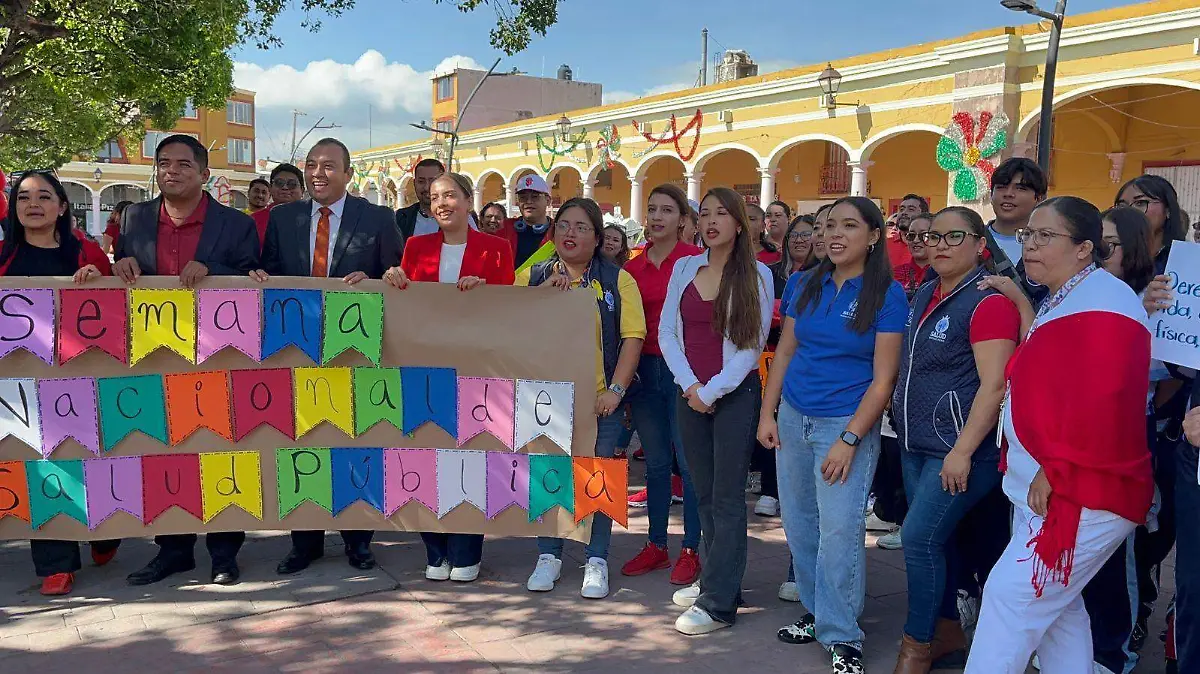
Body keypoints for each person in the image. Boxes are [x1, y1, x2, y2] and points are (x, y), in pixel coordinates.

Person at [965, 197, 1154, 673]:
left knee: (1010, 598)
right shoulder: (1067, 296)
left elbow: (1105, 399)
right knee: (1058, 614)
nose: (1030, 245)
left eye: (1045, 236)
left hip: (1079, 490)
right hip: (1050, 486)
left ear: (1084, 248)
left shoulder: (1108, 302)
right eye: (1028, 234)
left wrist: (1057, 468)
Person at [760, 196, 907, 674]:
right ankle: (817, 611)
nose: (833, 235)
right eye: (828, 226)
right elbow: (785, 352)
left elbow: (883, 380)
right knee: (800, 523)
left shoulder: (887, 294)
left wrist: (849, 439)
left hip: (843, 425)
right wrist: (768, 414)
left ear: (874, 236)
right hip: (793, 418)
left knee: (840, 529)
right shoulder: (805, 282)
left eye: (848, 225)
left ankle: (843, 634)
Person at [107, 134, 259, 586]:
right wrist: (120, 265)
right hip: (156, 352)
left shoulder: (235, 224)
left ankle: (224, 552)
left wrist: (215, 272)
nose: (171, 171)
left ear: (204, 173)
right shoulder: (134, 217)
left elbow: (254, 275)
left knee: (222, 447)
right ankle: (174, 550)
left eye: (182, 165)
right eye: (163, 163)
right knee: (165, 449)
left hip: (219, 351)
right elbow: (124, 267)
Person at [252, 137, 402, 577]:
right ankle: (305, 542)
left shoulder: (378, 218)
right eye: (312, 165)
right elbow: (271, 272)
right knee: (303, 441)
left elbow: (397, 277)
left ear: (349, 174)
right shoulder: (283, 218)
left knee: (355, 441)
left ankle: (358, 540)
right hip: (297, 348)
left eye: (329, 166)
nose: (318, 173)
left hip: (355, 348)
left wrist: (374, 278)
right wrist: (257, 276)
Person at [889, 207, 1020, 673]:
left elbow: (995, 385)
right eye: (933, 236)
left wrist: (962, 451)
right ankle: (946, 631)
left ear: (980, 245)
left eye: (954, 236)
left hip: (960, 448)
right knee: (937, 542)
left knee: (918, 538)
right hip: (915, 443)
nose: (940, 245)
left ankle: (917, 645)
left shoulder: (988, 303)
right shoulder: (927, 291)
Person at [382, 173, 513, 583]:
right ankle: (435, 550)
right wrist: (394, 279)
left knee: (470, 458)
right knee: (425, 456)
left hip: (476, 371)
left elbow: (511, 306)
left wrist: (487, 290)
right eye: (436, 196)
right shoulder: (415, 247)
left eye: (451, 195)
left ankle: (466, 550)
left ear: (469, 200)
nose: (442, 203)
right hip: (424, 370)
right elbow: (406, 305)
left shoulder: (497, 248)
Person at [1, 171, 120, 596]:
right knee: (43, 465)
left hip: (86, 377)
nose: (33, 204)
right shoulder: (4, 257)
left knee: (94, 458)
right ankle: (55, 562)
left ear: (62, 206)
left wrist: (99, 278)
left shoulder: (86, 251)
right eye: (23, 197)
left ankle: (105, 535)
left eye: (44, 196)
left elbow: (118, 304)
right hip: (23, 385)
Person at [521, 197, 645, 599]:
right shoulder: (532, 275)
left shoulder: (618, 280)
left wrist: (615, 390)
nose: (570, 234)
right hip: (547, 400)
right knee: (549, 473)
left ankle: (596, 559)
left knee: (599, 477)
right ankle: (549, 555)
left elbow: (632, 338)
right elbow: (506, 321)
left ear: (597, 238)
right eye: (563, 225)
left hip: (599, 402)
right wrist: (540, 295)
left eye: (580, 227)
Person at [664, 187, 772, 636]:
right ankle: (718, 578)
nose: (710, 221)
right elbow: (668, 332)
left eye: (721, 214)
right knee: (703, 493)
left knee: (727, 498)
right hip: (689, 394)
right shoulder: (685, 267)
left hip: (733, 397)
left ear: (739, 223)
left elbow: (752, 347)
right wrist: (691, 387)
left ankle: (719, 604)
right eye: (704, 213)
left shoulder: (758, 274)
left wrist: (710, 392)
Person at [1076, 206, 1156, 674]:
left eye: (1108, 244)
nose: (1098, 252)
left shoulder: (1153, 297)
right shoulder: (1074, 293)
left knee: (1112, 546)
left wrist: (1143, 318)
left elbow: (1164, 370)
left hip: (1124, 437)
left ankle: (1112, 653)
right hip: (1075, 436)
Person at [620, 184, 704, 586]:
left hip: (683, 372)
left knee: (688, 464)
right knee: (654, 464)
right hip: (643, 371)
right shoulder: (632, 268)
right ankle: (656, 544)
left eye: (667, 210)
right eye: (652, 209)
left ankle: (691, 548)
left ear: (683, 219)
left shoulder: (695, 262)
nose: (656, 217)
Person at [1121, 173, 1187, 651]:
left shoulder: (1183, 265)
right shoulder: (1113, 263)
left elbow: (1181, 354)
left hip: (1170, 416)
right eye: (1124, 202)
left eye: (1143, 202)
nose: (1134, 210)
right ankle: (1135, 607)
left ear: (1167, 208)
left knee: (1161, 522)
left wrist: (1157, 409)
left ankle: (1152, 605)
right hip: (1125, 410)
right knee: (1132, 520)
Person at [983, 157, 1049, 305]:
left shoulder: (1050, 244)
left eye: (1020, 188)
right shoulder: (971, 241)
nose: (1008, 194)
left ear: (1039, 198)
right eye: (1001, 187)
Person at [497, 174, 554, 269]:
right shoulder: (504, 228)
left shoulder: (558, 232)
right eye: (523, 197)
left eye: (535, 197)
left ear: (548, 200)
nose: (528, 201)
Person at [251, 163, 306, 248]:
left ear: (302, 190)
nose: (285, 188)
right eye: (279, 183)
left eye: (292, 184)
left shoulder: (314, 219)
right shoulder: (253, 221)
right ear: (270, 188)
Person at [894, 212, 933, 297]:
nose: (915, 240)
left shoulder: (944, 273)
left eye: (924, 235)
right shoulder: (895, 273)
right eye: (911, 235)